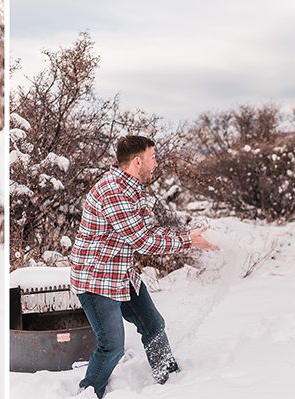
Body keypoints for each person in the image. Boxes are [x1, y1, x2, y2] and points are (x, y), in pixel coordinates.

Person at [68, 135, 219, 398]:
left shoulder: (133, 188)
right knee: (112, 346)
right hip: (96, 279)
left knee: (153, 325)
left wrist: (187, 237)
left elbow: (148, 230)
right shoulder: (113, 192)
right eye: (153, 158)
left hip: (121, 273)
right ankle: (88, 392)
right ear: (137, 161)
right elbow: (142, 241)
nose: (156, 163)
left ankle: (169, 379)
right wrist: (188, 241)